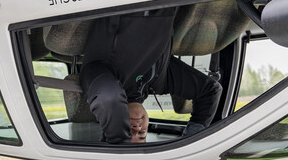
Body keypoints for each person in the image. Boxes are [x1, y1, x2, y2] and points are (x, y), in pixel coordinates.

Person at [80, 8, 222, 144]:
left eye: (128, 132)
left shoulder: (97, 75)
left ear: (112, 127)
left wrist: (120, 143)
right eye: (142, 134)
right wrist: (188, 144)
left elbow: (108, 98)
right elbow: (210, 90)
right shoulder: (159, 83)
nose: (137, 128)